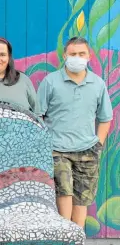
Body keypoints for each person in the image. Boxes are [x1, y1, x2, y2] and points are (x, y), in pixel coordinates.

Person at [37, 37, 113, 228]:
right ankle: (65, 234)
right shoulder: (51, 81)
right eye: (72, 54)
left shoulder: (97, 84)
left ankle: (77, 236)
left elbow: (105, 118)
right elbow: (38, 115)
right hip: (57, 150)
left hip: (88, 149)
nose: (77, 58)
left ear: (89, 56)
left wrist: (99, 145)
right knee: (64, 192)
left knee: (82, 198)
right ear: (64, 56)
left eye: (81, 54)